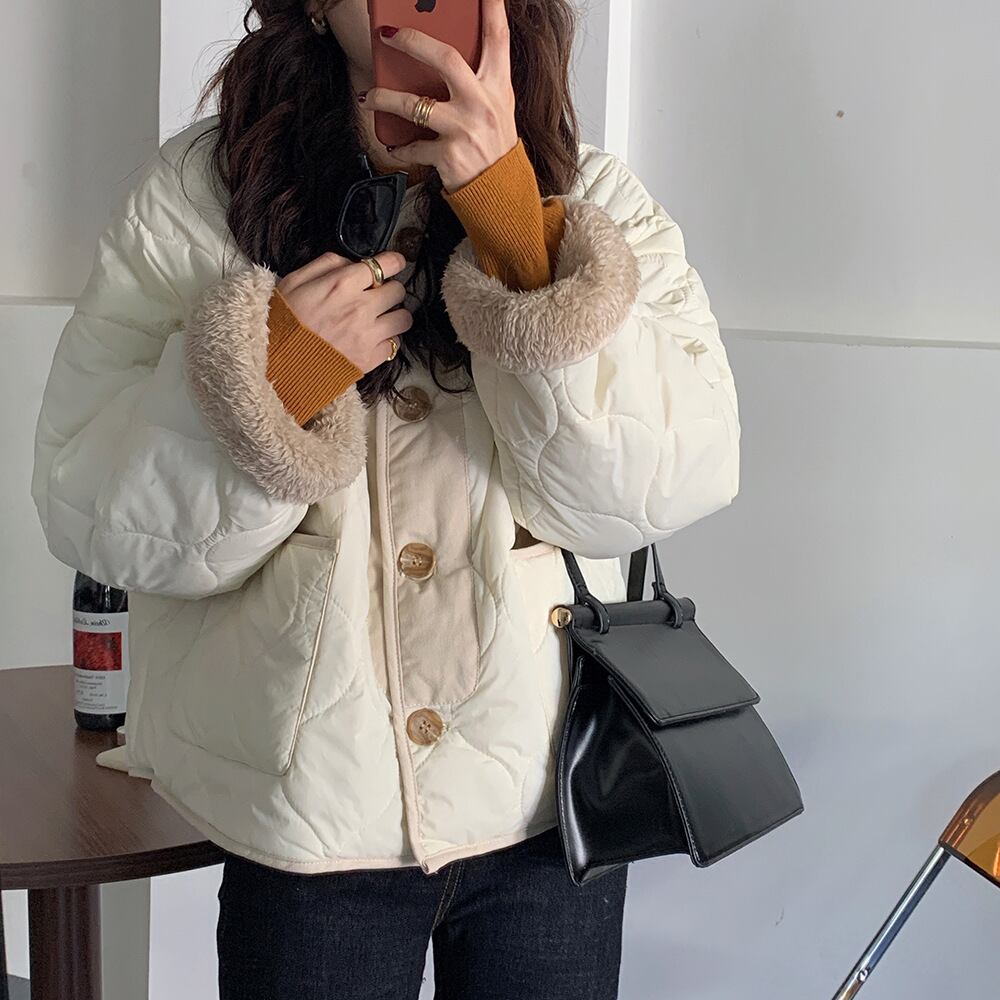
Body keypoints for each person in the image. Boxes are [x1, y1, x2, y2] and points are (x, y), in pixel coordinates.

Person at [30, 0, 741, 996]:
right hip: (312, 821)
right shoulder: (198, 199)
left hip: (544, 802)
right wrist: (268, 383)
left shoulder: (591, 200)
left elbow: (660, 484)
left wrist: (522, 242)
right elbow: (94, 513)